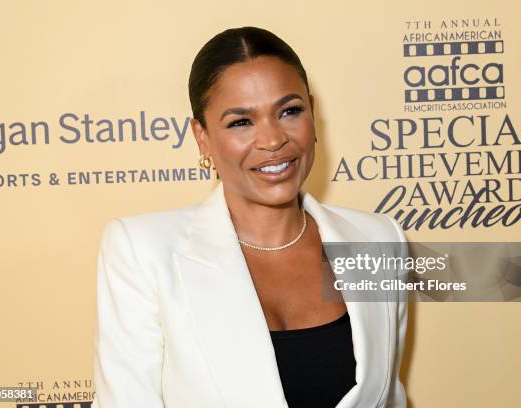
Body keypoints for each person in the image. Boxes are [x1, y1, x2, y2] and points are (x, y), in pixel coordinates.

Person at [92, 26, 408, 408]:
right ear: (202, 137)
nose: (273, 140)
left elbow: (388, 396)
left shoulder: (376, 239)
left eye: (289, 111)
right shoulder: (142, 251)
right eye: (241, 122)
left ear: (312, 113)